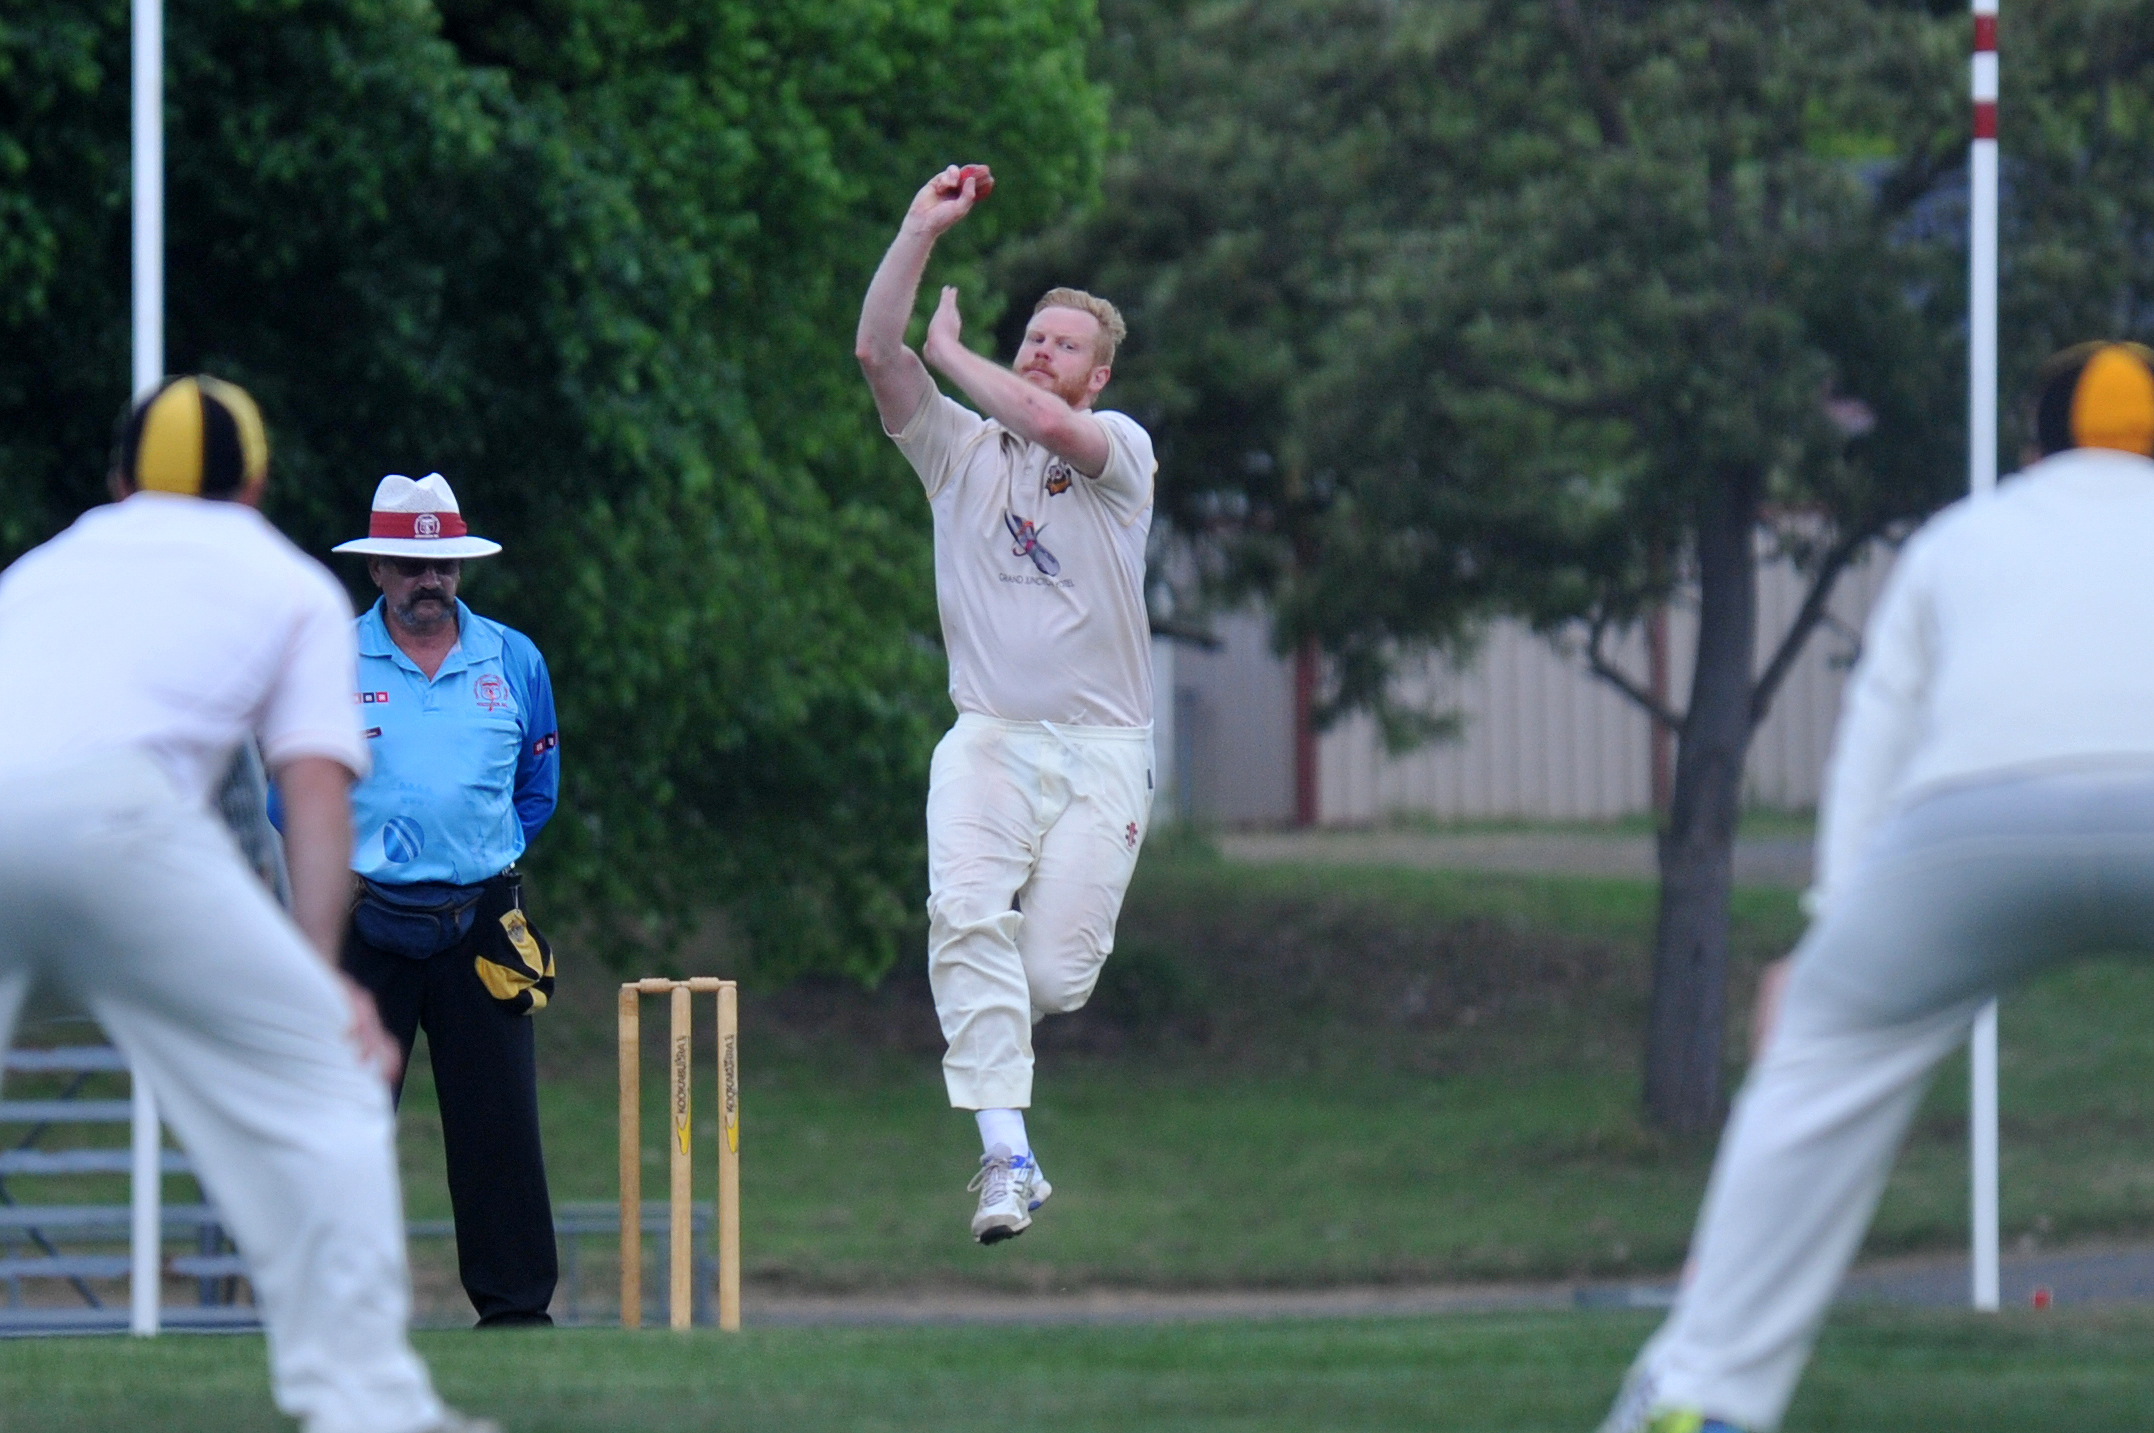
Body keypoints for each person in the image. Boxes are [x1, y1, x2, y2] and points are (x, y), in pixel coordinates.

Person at [1599, 341, 2154, 1433]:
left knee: (1824, 1057)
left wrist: (1824, 942)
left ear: (2034, 453)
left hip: (1970, 824)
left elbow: (1876, 738)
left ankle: (1702, 1396)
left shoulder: (1964, 538)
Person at [0, 376, 490, 1432]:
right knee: (329, 1079)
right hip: (122, 818)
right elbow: (314, 788)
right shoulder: (290, 584)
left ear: (119, 480)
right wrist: (322, 982)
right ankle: (367, 1405)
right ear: (257, 484)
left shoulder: (36, 572)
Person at [856, 164, 1160, 1244]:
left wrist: (952, 354)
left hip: (1103, 749)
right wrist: (917, 229)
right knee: (966, 917)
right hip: (987, 735)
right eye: (1032, 335)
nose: (1040, 353)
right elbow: (876, 354)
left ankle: (985, 1046)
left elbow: (1044, 420)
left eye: (1063, 346)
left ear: (1097, 374)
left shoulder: (1121, 451)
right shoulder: (958, 454)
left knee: (1050, 976)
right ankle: (1006, 1154)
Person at [329, 473, 562, 1327]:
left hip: (482, 921)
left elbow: (537, 789)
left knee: (499, 1126)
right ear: (378, 571)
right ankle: (333, 1304)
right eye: (410, 564)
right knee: (341, 1123)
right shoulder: (332, 657)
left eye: (444, 566)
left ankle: (516, 1311)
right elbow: (292, 793)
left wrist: (469, 855)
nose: (430, 580)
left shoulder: (513, 658)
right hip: (362, 919)